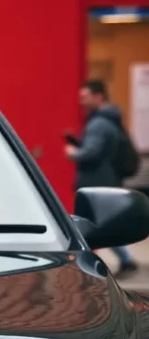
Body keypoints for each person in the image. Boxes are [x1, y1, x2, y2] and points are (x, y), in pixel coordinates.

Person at [65, 79, 138, 276]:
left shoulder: (99, 123)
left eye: (85, 96)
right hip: (106, 178)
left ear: (98, 96)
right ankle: (124, 260)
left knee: (93, 224)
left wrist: (73, 152)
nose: (81, 101)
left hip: (96, 182)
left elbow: (91, 152)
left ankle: (117, 261)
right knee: (99, 224)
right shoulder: (110, 119)